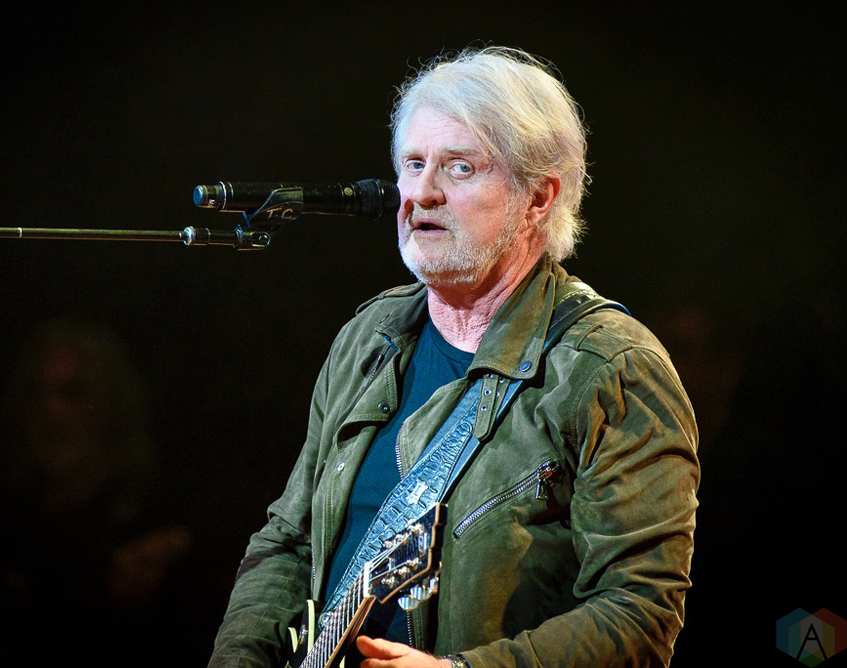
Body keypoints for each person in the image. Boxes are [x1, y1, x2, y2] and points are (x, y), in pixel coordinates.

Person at [209, 46, 699, 667]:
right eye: (413, 165)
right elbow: (290, 541)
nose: (421, 193)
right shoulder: (369, 337)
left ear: (538, 198)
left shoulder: (610, 368)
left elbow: (640, 613)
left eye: (460, 168)